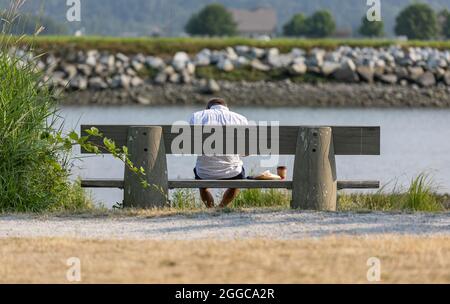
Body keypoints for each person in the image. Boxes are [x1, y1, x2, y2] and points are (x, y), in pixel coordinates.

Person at [189, 98, 248, 208]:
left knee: (202, 181)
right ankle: (221, 207)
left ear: (208, 108)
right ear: (226, 108)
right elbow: (246, 152)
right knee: (239, 174)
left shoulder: (197, 116)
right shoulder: (240, 119)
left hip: (204, 173)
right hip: (233, 173)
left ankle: (211, 208)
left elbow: (193, 147)